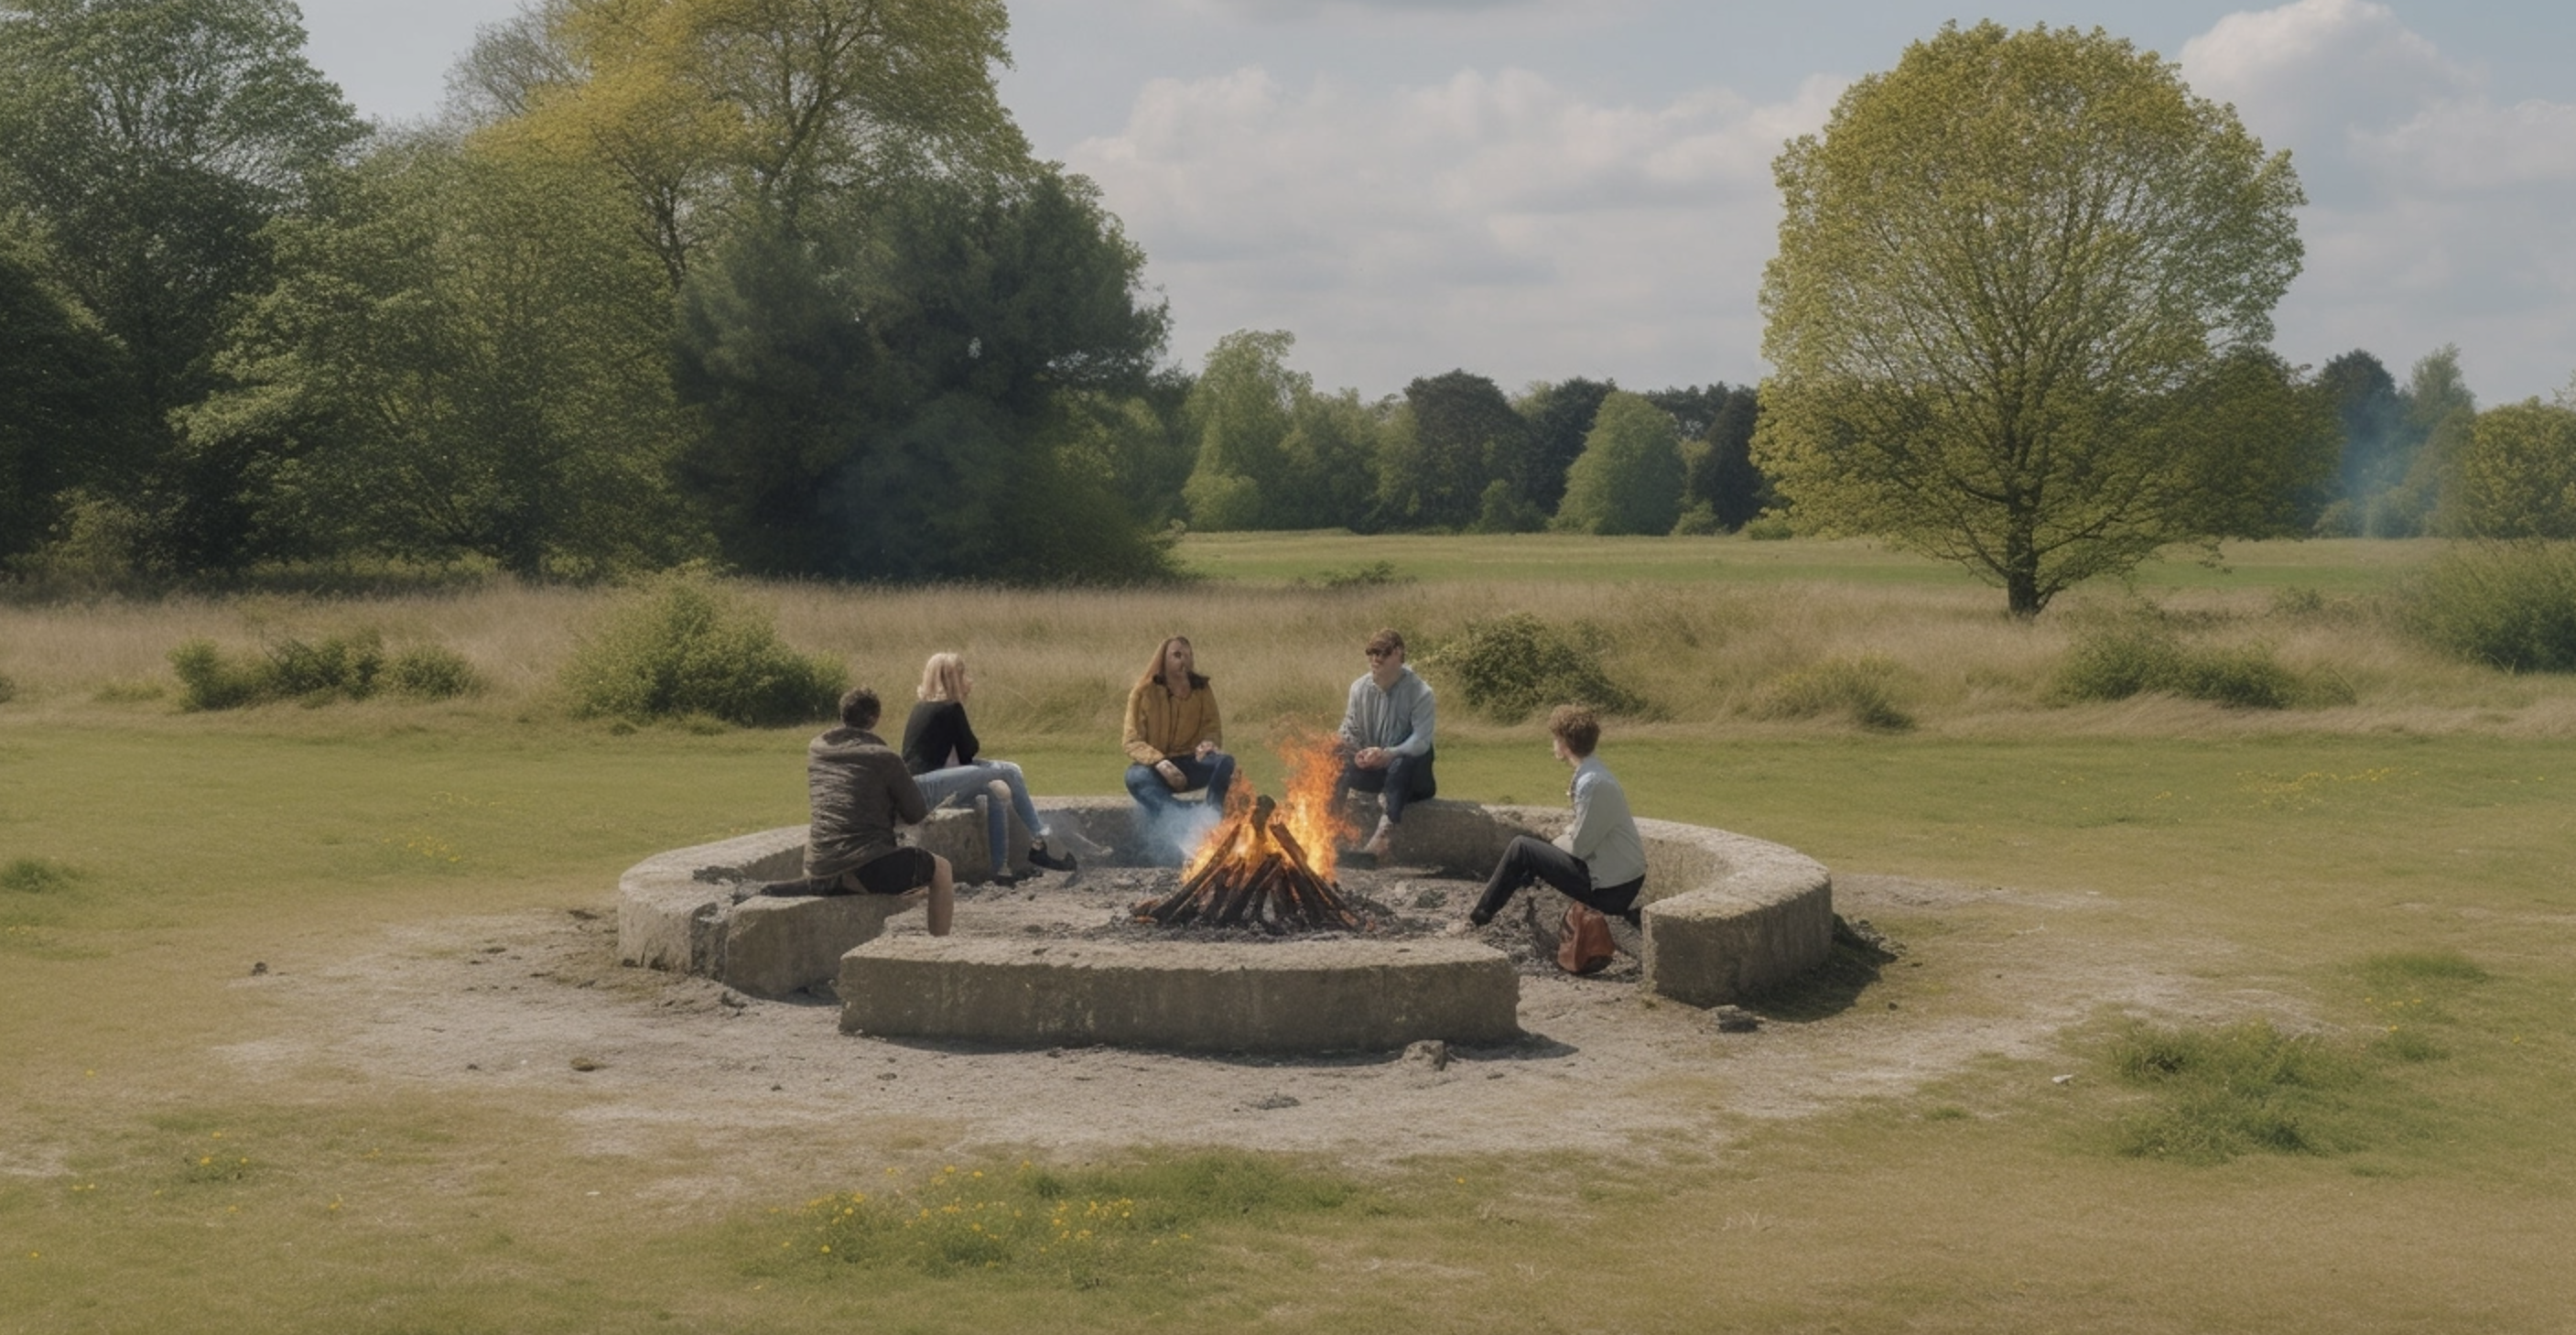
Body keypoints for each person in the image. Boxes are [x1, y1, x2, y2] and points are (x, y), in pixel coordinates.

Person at [783, 687, 953, 935]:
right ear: (874, 719)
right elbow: (916, 813)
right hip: (862, 865)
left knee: (907, 877)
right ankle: (940, 945)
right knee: (942, 870)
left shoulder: (817, 749)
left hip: (818, 867)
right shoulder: (884, 758)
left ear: (843, 715)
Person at [1460, 704, 1645, 931]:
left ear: (1565, 743)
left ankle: (1478, 919)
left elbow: (1580, 845)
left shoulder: (1594, 783)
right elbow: (1584, 834)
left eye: (1555, 738)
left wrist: (1551, 845)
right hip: (1616, 879)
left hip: (1612, 890)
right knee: (1532, 855)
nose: (1553, 744)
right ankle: (1520, 896)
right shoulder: (1592, 774)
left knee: (1522, 848)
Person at [901, 652, 1077, 885]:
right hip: (930, 784)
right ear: (954, 679)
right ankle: (1040, 838)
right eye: (964, 675)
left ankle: (1000, 869)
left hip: (921, 784)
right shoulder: (951, 708)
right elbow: (968, 750)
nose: (968, 681)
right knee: (1010, 770)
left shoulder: (921, 708)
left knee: (994, 794)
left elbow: (953, 760)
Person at [1121, 635, 1235, 861]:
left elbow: (1212, 727)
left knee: (1226, 763)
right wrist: (1159, 761)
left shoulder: (1202, 689)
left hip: (1191, 762)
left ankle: (1211, 818)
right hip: (1157, 767)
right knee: (1134, 776)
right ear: (1162, 660)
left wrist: (1208, 743)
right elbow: (1131, 740)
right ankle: (1184, 819)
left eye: (1189, 655)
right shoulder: (1143, 692)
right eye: (1177, 655)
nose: (1185, 661)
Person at [1334, 627, 1436, 863]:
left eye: (1383, 652)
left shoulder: (1421, 692)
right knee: (1335, 754)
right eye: (1371, 652)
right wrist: (1357, 752)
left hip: (1412, 780)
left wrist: (1389, 754)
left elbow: (1421, 740)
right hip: (1374, 771)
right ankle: (1330, 832)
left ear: (1398, 654)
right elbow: (1349, 728)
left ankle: (1383, 840)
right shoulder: (1358, 689)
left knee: (1405, 760)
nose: (1375, 658)